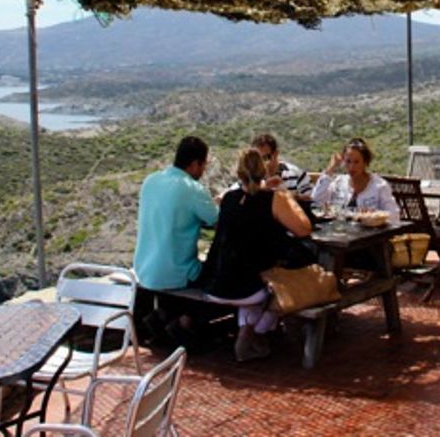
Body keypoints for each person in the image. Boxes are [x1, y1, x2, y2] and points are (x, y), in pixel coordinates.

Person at [205, 149, 312, 362]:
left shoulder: (228, 199)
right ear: (264, 170)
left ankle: (249, 334)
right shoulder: (273, 199)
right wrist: (286, 196)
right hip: (251, 287)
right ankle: (257, 332)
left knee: (251, 277)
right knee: (287, 281)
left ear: (238, 173)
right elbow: (304, 229)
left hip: (217, 284)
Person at [132, 135, 220, 344]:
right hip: (175, 273)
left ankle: (162, 315)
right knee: (218, 280)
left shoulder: (150, 180)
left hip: (144, 269)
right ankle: (185, 322)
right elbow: (217, 221)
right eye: (203, 165)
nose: (203, 170)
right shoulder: (192, 189)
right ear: (195, 163)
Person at [310, 137, 400, 223]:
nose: (352, 167)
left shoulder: (379, 186)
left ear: (365, 163)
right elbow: (316, 201)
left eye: (356, 162)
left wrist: (374, 216)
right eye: (348, 162)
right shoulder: (339, 183)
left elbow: (394, 215)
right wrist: (330, 169)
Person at [251, 132, 312, 198]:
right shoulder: (249, 177)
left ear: (276, 153)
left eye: (265, 158)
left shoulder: (295, 173)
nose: (261, 163)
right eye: (257, 159)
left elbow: (311, 200)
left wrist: (288, 195)